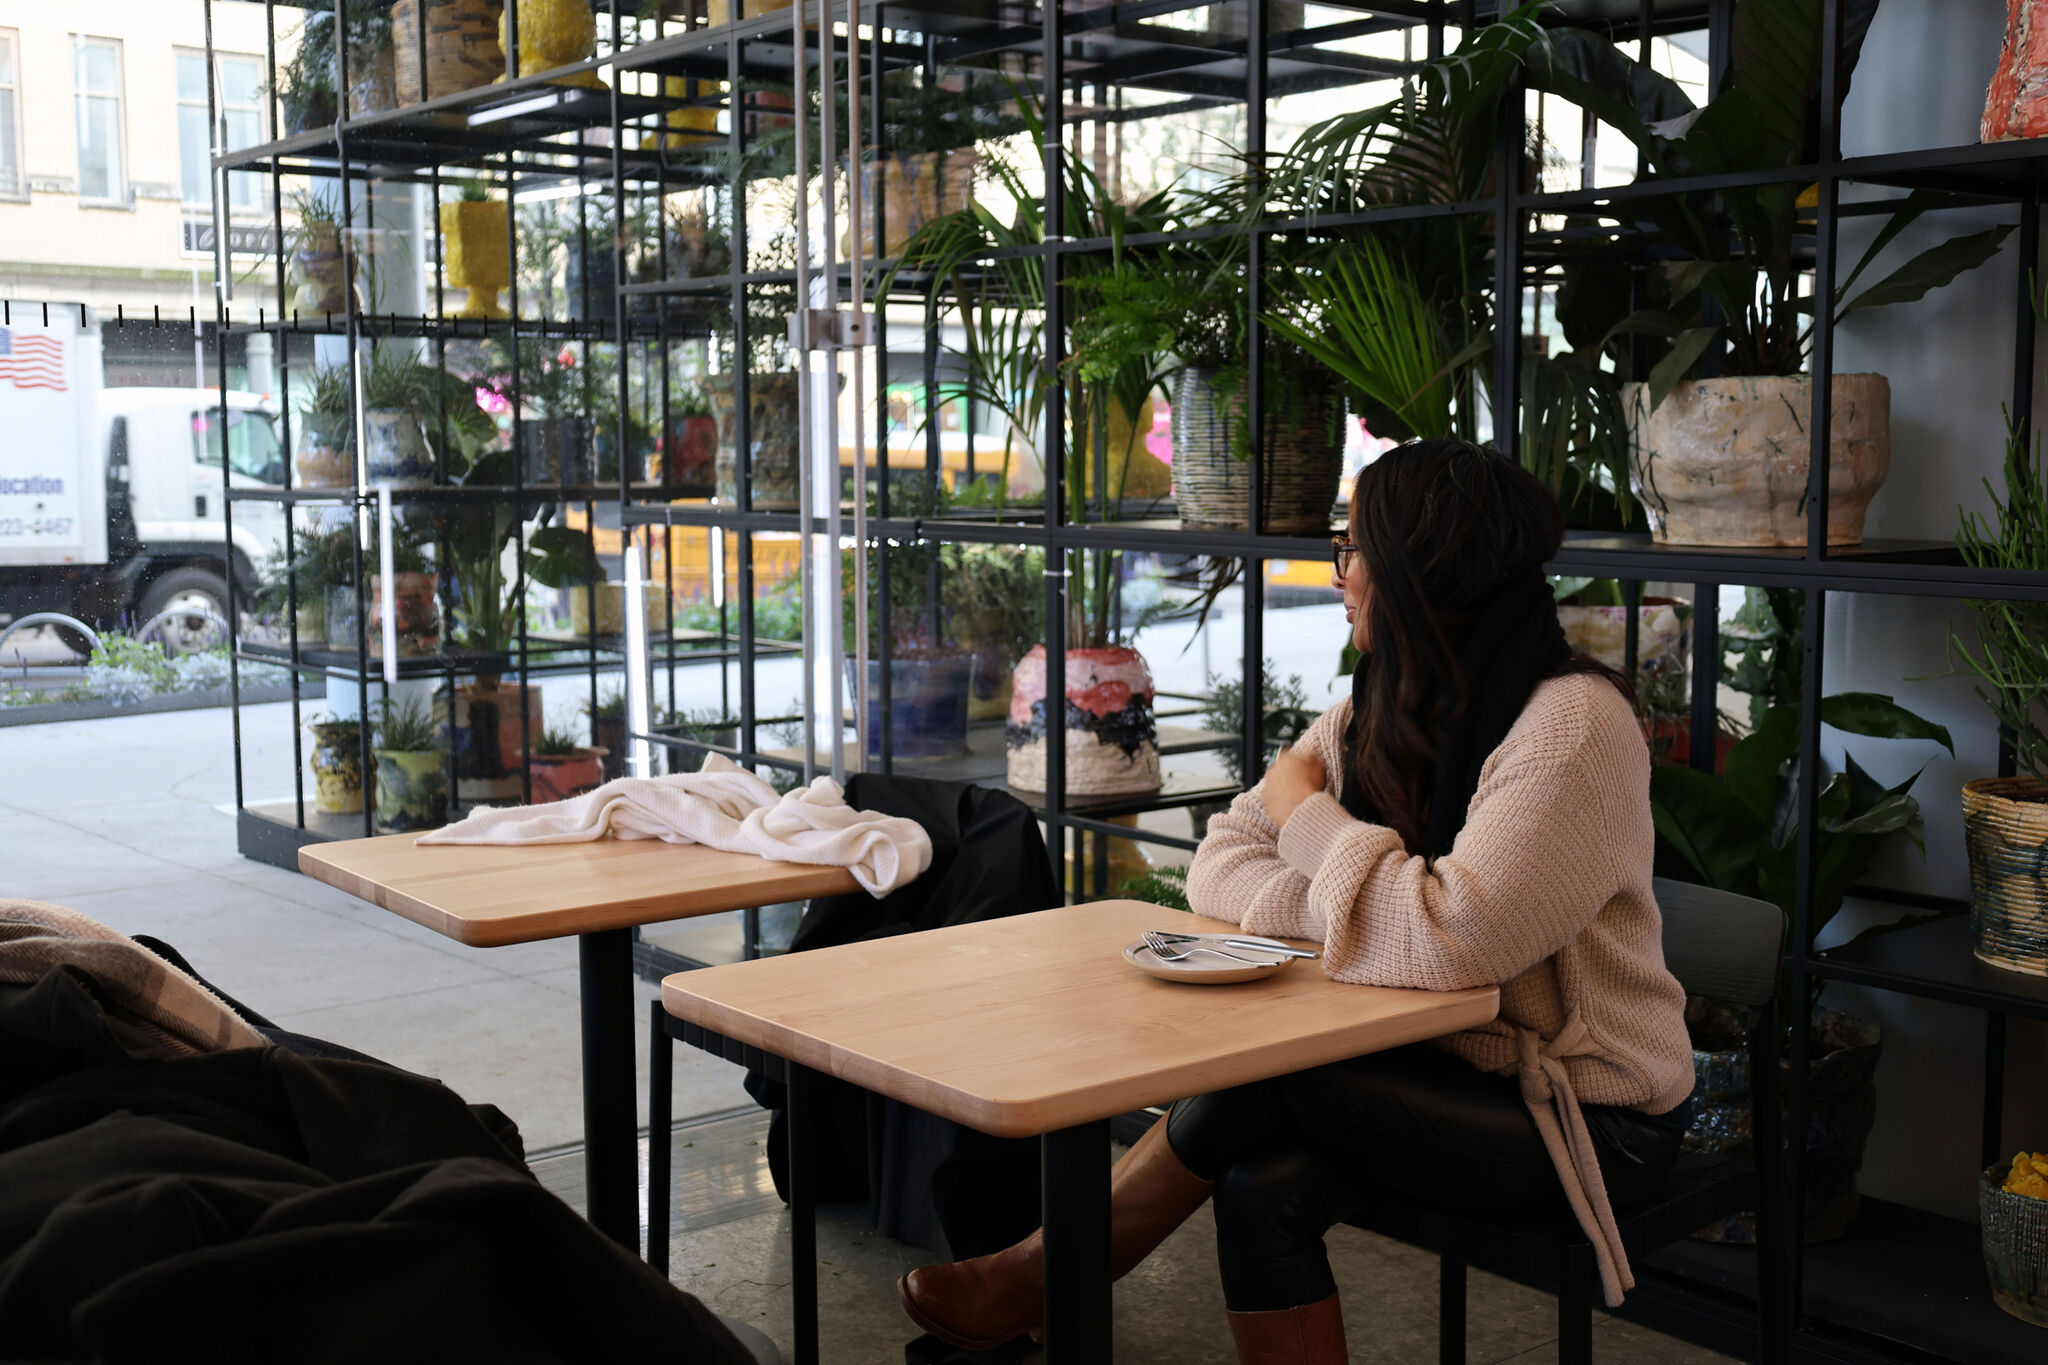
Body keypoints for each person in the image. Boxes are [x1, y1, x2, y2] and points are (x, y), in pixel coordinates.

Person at [897, 439, 1696, 1363]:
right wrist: (1362, 907)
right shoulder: (1381, 706)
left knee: (1273, 1076)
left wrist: (1311, 822)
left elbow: (1452, 939)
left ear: (1422, 565)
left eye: (1352, 548)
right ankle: (1049, 1269)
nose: (1337, 573)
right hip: (1429, 1065)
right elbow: (1219, 862)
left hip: (1591, 1114)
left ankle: (1048, 1270)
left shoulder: (1572, 724)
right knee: (1258, 1186)